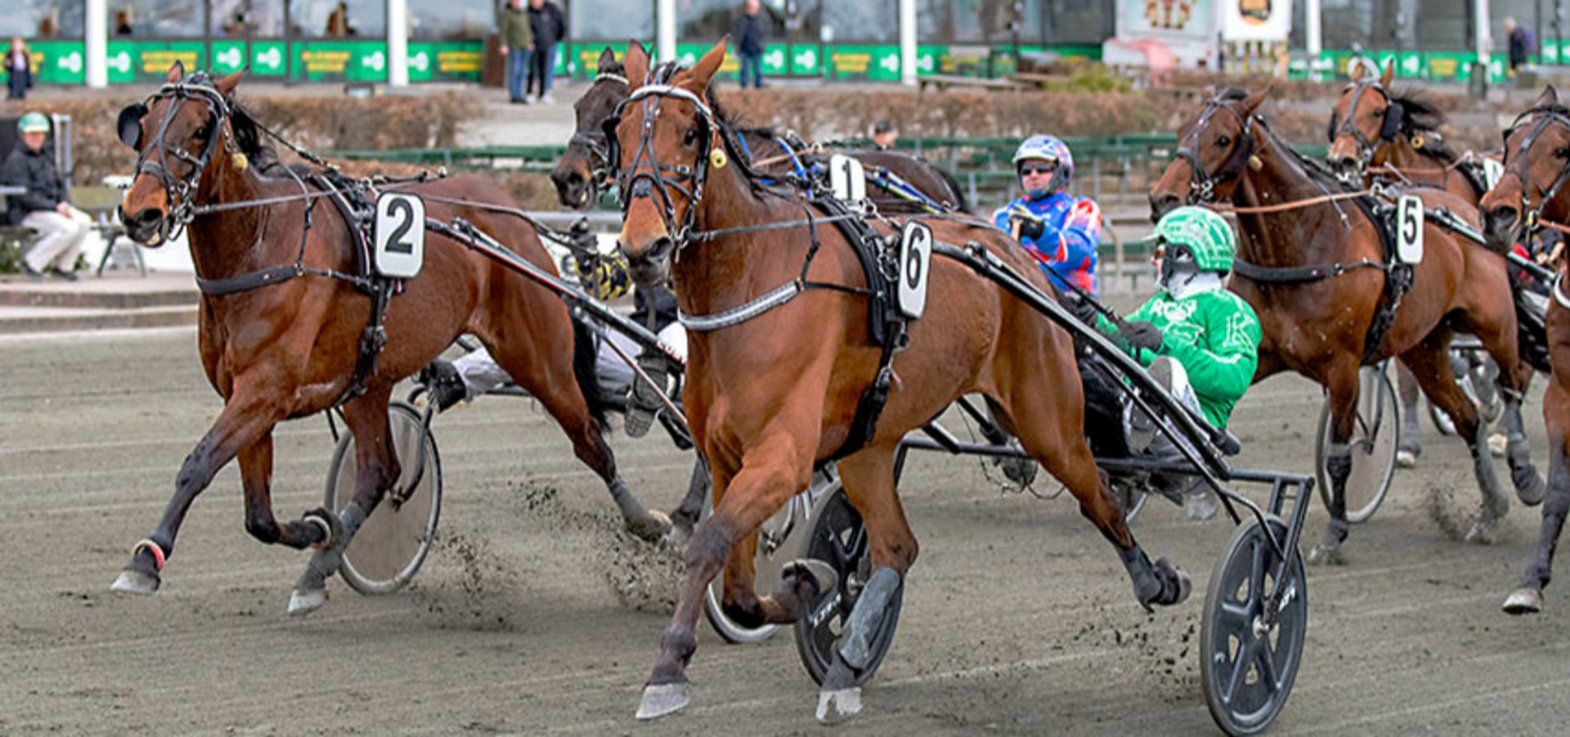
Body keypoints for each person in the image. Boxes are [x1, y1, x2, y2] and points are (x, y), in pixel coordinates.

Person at [1071, 206, 1261, 520]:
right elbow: (1123, 337)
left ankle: (1140, 428)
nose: (1152, 260)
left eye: (1160, 251)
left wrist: (1166, 346)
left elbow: (1234, 377)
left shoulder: (1230, 309)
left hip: (1195, 436)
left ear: (1186, 255)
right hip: (1138, 416)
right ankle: (1113, 439)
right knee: (1087, 368)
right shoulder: (1158, 305)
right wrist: (1088, 320)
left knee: (1167, 371)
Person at [423, 237, 684, 439]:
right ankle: (458, 377)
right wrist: (587, 263)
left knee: (679, 340)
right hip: (639, 339)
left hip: (689, 336)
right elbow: (605, 287)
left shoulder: (705, 236)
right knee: (551, 343)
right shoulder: (641, 233)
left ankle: (666, 391)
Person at [994, 134, 1101, 294]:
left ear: (1061, 171)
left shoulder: (1082, 208)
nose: (1033, 175)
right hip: (1020, 302)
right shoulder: (1002, 215)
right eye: (1026, 170)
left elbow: (1079, 251)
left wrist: (1040, 232)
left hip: (1071, 305)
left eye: (1042, 168)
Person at [2, 113, 90, 281]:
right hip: (27, 213)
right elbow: (24, 197)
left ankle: (64, 267)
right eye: (32, 134)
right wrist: (54, 207)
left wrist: (65, 202)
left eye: (40, 134)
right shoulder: (16, 161)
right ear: (23, 135)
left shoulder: (46, 157)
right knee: (68, 228)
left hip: (52, 209)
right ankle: (32, 263)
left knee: (84, 221)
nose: (37, 138)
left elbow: (60, 184)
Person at [526, 0, 565, 103]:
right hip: (533, 45)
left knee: (547, 70)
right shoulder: (528, 12)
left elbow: (560, 25)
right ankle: (530, 92)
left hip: (549, 43)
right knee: (532, 70)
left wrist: (556, 38)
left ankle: (545, 93)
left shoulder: (551, 10)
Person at [498, 0, 533, 105]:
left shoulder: (524, 14)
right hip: (514, 47)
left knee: (523, 72)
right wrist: (503, 44)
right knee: (515, 71)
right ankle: (514, 95)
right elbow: (503, 31)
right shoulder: (508, 15)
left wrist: (530, 42)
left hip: (525, 46)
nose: (518, 3)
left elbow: (528, 30)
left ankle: (520, 94)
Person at [732, 0, 766, 89]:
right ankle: (744, 86)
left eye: (754, 7)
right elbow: (738, 33)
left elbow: (765, 33)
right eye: (750, 7)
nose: (752, 9)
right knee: (744, 69)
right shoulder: (742, 19)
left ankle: (758, 86)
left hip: (757, 49)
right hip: (745, 48)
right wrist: (737, 45)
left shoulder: (761, 19)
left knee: (758, 70)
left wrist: (762, 44)